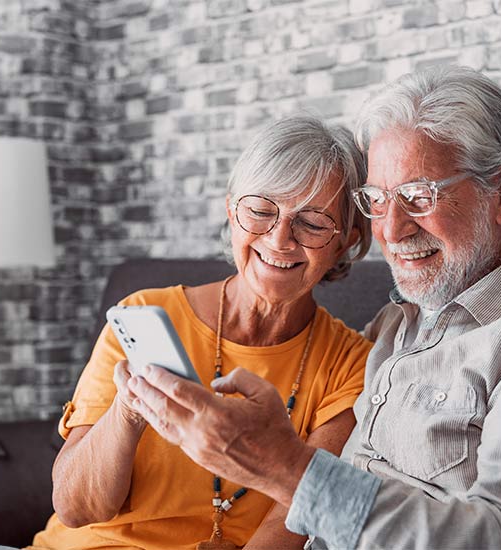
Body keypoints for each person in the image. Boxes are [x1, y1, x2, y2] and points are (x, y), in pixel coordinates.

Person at [126, 65, 501, 549]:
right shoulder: (394, 327)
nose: (391, 232)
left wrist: (288, 467)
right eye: (376, 201)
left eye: (419, 196)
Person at [30, 116, 375, 550]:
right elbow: (75, 508)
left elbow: (290, 527)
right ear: (232, 211)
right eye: (261, 210)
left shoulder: (352, 366)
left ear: (347, 240)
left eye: (312, 222)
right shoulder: (144, 314)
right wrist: (130, 410)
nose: (280, 238)